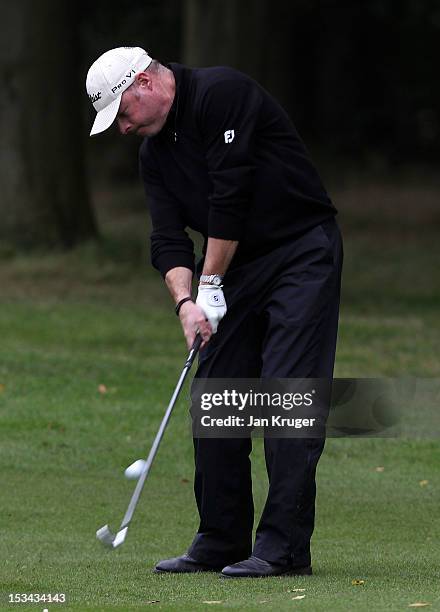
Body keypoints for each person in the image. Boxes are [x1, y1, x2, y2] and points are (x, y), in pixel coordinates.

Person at [86, 46, 343, 578]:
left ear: (145, 84)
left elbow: (232, 196)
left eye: (122, 112)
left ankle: (284, 548)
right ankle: (222, 537)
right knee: (218, 394)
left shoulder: (221, 93)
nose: (122, 128)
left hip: (301, 249)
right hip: (235, 267)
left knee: (287, 394)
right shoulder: (153, 155)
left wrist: (209, 283)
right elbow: (166, 239)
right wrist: (187, 304)